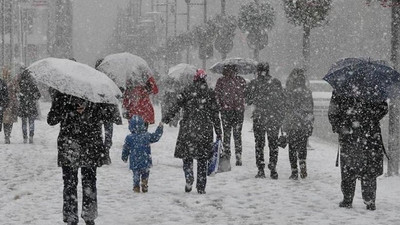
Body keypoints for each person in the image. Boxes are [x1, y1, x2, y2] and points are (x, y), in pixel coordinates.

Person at [48, 90, 113, 225]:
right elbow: (107, 116)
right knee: (88, 182)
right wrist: (89, 108)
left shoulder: (63, 92)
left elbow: (52, 119)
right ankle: (88, 216)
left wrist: (67, 107)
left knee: (70, 183)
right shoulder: (95, 93)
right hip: (89, 144)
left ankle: (72, 217)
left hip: (70, 145)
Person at [162, 69, 222, 194]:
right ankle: (201, 186)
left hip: (188, 128)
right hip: (205, 130)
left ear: (194, 79)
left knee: (187, 156)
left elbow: (176, 106)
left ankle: (189, 177)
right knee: (202, 159)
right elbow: (215, 114)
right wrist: (218, 131)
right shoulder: (210, 93)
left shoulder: (187, 91)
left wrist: (166, 118)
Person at [328, 91, 388, 211]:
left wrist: (342, 125)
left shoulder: (341, 88)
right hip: (370, 135)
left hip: (349, 135)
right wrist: (369, 117)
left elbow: (333, 113)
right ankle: (369, 199)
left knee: (348, 168)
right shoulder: (373, 87)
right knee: (369, 167)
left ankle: (348, 198)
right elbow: (383, 108)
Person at [245, 62, 285, 179]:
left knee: (259, 144)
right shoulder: (276, 82)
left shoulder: (254, 84)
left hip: (260, 117)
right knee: (273, 144)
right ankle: (273, 167)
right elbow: (282, 99)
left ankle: (261, 168)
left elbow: (248, 100)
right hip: (273, 117)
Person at [282, 68, 314, 180]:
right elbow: (311, 109)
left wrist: (284, 124)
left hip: (292, 123)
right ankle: (302, 164)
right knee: (302, 146)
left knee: (292, 148)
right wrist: (310, 123)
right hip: (304, 124)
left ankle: (294, 171)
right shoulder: (307, 92)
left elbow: (285, 108)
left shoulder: (289, 92)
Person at [214, 64, 246, 167]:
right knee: (237, 134)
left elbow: (217, 95)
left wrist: (220, 106)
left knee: (227, 134)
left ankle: (227, 154)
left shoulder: (221, 81)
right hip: (238, 111)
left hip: (226, 110)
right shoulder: (241, 80)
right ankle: (238, 154)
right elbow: (246, 94)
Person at [121, 115, 163, 193]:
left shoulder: (129, 137)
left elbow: (126, 148)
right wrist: (160, 128)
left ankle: (136, 186)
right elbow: (155, 137)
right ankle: (144, 181)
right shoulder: (146, 135)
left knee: (136, 174)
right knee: (146, 172)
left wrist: (124, 157)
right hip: (145, 159)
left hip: (135, 160)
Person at [95, 58, 122, 164]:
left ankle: (103, 153)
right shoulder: (110, 78)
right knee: (107, 132)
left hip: (98, 109)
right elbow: (117, 93)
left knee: (99, 133)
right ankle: (105, 153)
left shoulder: (94, 77)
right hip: (108, 109)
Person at [18, 68, 41, 144]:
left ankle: (25, 137)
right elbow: (38, 95)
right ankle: (31, 136)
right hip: (31, 105)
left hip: (23, 106)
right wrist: (33, 97)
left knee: (24, 122)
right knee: (31, 122)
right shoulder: (32, 84)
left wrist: (21, 97)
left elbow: (18, 94)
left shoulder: (20, 83)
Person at [2, 67, 18, 144]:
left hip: (6, 103)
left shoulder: (2, 82)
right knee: (9, 121)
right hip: (11, 103)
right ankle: (8, 135)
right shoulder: (13, 81)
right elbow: (18, 90)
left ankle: (7, 136)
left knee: (6, 121)